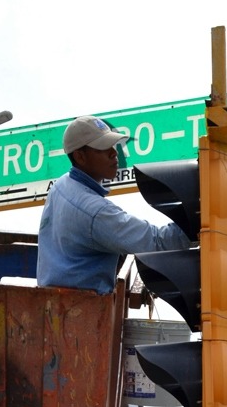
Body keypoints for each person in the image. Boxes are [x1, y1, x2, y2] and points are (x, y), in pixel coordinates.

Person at [36, 115, 192, 294]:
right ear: (80, 156)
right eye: (103, 148)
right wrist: (197, 224)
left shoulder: (62, 184)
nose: (114, 153)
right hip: (84, 306)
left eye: (112, 145)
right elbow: (156, 242)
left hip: (52, 297)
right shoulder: (95, 212)